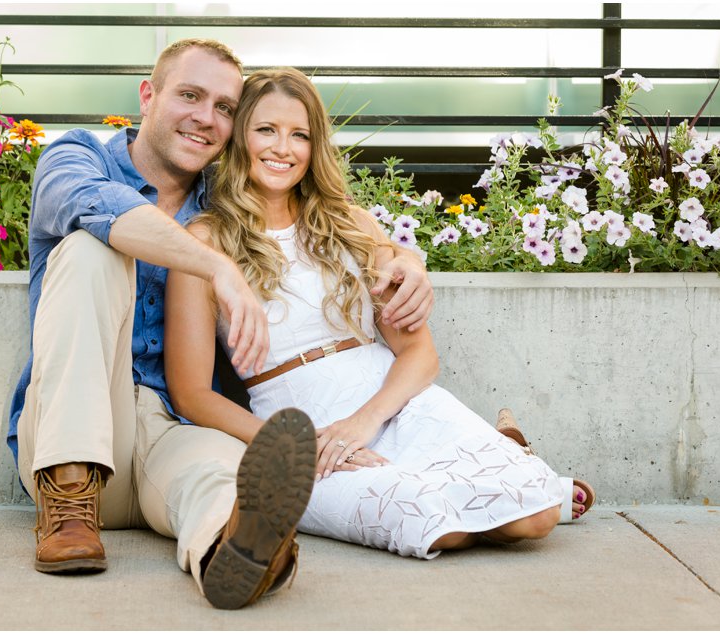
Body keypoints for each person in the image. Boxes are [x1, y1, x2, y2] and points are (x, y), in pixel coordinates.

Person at [6, 40, 434, 610]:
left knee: (221, 480)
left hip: (171, 430)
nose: (206, 118)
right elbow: (95, 205)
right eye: (189, 95)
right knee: (92, 250)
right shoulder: (76, 157)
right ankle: (66, 503)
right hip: (74, 429)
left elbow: (330, 219)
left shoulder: (226, 201)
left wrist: (407, 259)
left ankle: (238, 554)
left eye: (225, 108)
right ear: (148, 96)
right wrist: (216, 266)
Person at [164, 67, 595, 563]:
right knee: (432, 526)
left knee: (537, 520)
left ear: (315, 146)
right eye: (266, 130)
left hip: (390, 399)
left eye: (299, 135)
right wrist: (293, 446)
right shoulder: (204, 242)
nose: (283, 148)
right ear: (240, 137)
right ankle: (506, 466)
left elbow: (419, 353)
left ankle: (508, 473)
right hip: (299, 424)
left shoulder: (351, 224)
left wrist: (363, 422)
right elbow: (191, 392)